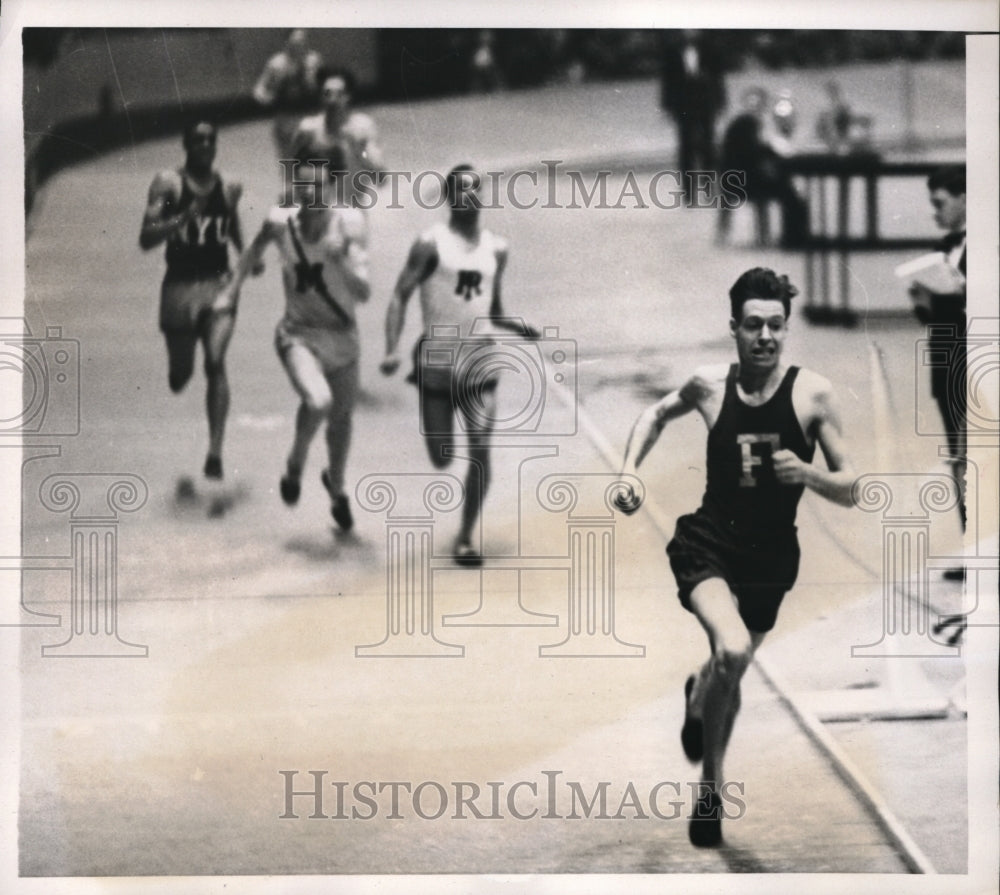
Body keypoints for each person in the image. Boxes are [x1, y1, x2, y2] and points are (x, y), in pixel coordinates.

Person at [614, 268, 856, 847]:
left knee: (728, 666)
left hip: (771, 559)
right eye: (754, 325)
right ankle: (712, 790)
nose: (766, 336)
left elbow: (853, 485)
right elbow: (654, 415)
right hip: (709, 545)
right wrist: (628, 472)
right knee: (734, 649)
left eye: (776, 325)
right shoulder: (708, 385)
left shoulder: (813, 394)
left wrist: (810, 474)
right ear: (734, 329)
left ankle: (699, 695)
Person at [379, 165, 540, 566]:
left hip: (480, 359)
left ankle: (466, 537)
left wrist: (518, 326)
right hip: (436, 360)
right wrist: (391, 347)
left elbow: (493, 308)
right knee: (441, 456)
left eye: (475, 189)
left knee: (481, 449)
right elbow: (400, 296)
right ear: (449, 198)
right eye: (461, 190)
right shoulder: (430, 244)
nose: (470, 196)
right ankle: (443, 455)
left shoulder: (497, 249)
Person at [216, 157, 369, 530]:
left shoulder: (347, 225)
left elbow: (364, 292)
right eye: (305, 186)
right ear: (295, 188)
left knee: (340, 425)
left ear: (330, 188)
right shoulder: (281, 220)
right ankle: (295, 464)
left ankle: (336, 487)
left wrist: (342, 260)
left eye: (319, 186)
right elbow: (253, 250)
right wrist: (231, 292)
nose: (312, 193)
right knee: (319, 401)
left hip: (343, 337)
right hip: (298, 334)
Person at [139, 120, 255, 481]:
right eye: (198, 139)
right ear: (186, 144)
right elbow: (146, 238)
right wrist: (180, 219)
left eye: (211, 139)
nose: (205, 144)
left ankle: (215, 452)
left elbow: (231, 222)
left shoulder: (230, 186)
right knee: (183, 373)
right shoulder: (168, 184)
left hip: (219, 285)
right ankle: (178, 371)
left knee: (216, 362)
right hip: (179, 288)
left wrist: (246, 252)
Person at [910, 165, 967, 587]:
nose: (935, 213)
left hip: (977, 367)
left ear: (965, 197)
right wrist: (925, 300)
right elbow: (937, 318)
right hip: (948, 365)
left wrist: (964, 292)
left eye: (940, 203)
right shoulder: (945, 246)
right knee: (960, 460)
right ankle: (977, 546)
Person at [716, 87, 808, 248]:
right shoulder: (747, 124)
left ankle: (774, 235)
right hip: (746, 182)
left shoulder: (745, 123)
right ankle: (792, 236)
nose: (757, 108)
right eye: (754, 104)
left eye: (758, 105)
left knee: (787, 187)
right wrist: (774, 152)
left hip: (736, 179)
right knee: (789, 190)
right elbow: (755, 153)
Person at [290, 66, 385, 205]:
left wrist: (360, 151)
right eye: (327, 93)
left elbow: (381, 178)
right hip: (318, 213)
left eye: (339, 94)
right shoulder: (308, 129)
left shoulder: (363, 127)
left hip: (353, 212)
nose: (333, 100)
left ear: (348, 96)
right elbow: (295, 174)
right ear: (320, 96)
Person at [659, 30, 727, 205]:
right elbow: (667, 81)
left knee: (708, 148)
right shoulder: (672, 50)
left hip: (705, 106)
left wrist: (720, 102)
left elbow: (718, 79)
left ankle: (709, 189)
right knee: (686, 149)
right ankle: (688, 193)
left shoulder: (710, 49)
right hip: (683, 107)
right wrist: (667, 106)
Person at [253, 29, 324, 161]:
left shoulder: (314, 61)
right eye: (295, 43)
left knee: (315, 163)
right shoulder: (277, 64)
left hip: (311, 116)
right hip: (287, 119)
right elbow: (259, 89)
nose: (298, 47)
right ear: (287, 43)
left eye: (302, 43)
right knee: (290, 164)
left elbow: (324, 85)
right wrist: (266, 97)